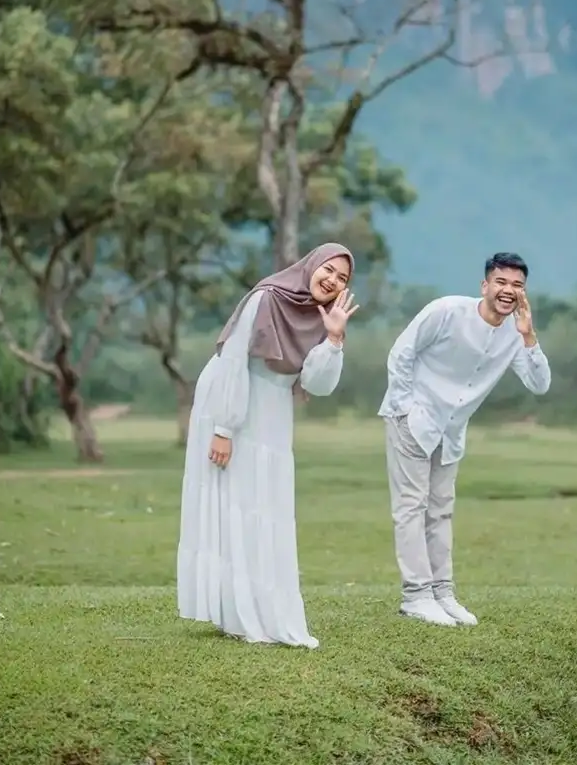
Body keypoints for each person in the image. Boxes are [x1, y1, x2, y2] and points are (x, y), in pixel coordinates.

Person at [177, 243, 359, 649]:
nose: (331, 280)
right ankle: (237, 614)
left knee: (264, 505)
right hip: (231, 399)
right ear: (311, 266)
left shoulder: (322, 317)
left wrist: (333, 339)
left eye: (341, 278)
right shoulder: (266, 298)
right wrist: (224, 427)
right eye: (327, 270)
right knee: (233, 502)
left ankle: (259, 611)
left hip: (273, 409)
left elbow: (317, 385)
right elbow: (235, 358)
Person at [378, 252, 551, 628]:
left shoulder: (514, 334)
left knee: (441, 510)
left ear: (524, 293)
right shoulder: (446, 311)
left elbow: (540, 384)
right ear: (485, 285)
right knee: (411, 506)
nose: (508, 291)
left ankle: (443, 594)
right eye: (501, 282)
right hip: (413, 418)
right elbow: (401, 352)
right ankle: (416, 596)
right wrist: (405, 407)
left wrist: (528, 334)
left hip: (452, 431)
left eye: (517, 285)